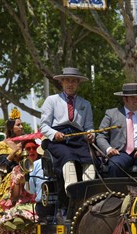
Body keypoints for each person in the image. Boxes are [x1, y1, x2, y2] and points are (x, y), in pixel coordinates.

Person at [39, 67, 95, 195]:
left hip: (78, 139)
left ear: (78, 83)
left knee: (90, 160)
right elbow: (44, 126)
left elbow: (89, 126)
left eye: (74, 81)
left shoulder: (85, 104)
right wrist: (54, 134)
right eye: (67, 81)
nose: (70, 84)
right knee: (67, 157)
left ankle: (89, 194)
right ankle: (73, 194)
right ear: (62, 82)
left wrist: (91, 134)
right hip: (58, 141)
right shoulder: (51, 100)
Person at [0, 109, 26, 215]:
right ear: (12, 128)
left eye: (22, 124)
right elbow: (2, 166)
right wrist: (16, 150)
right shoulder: (3, 144)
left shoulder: (26, 140)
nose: (21, 127)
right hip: (10, 175)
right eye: (18, 125)